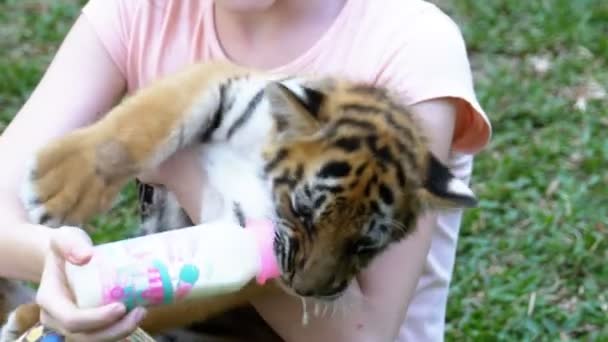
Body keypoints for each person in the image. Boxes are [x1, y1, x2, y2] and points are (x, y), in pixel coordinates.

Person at [0, 0, 491, 341]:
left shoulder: (410, 45)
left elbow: (362, 334)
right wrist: (67, 269)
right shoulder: (141, 12)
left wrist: (187, 167)